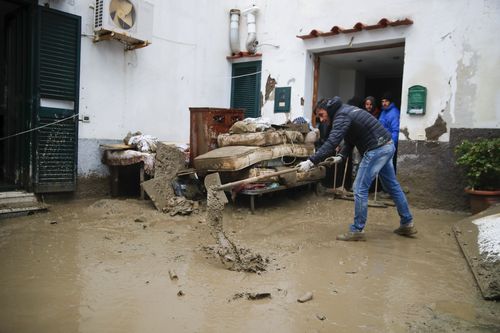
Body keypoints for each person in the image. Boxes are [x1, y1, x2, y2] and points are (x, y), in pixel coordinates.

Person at [297, 96, 416, 241]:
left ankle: (357, 230)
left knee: (359, 188)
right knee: (392, 185)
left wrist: (311, 161)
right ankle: (407, 223)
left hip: (376, 149)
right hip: (387, 145)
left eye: (321, 115)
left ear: (328, 110)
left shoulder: (341, 116)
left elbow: (332, 142)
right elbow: (350, 139)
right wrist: (341, 156)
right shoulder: (345, 111)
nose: (321, 120)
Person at [379, 92, 400, 173]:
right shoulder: (383, 112)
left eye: (386, 101)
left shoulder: (394, 113)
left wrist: (391, 145)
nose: (384, 103)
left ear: (390, 102)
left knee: (389, 168)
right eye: (382, 101)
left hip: (389, 144)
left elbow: (396, 131)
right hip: (381, 143)